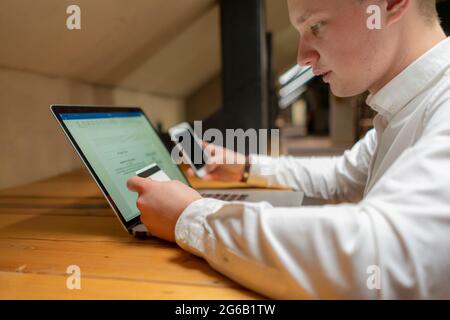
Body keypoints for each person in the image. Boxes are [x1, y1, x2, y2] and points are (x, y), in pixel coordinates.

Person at [127, 0, 450, 299]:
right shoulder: (405, 107)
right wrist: (247, 167)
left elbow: (382, 255)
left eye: (316, 26)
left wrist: (192, 216)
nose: (301, 57)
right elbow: (344, 175)